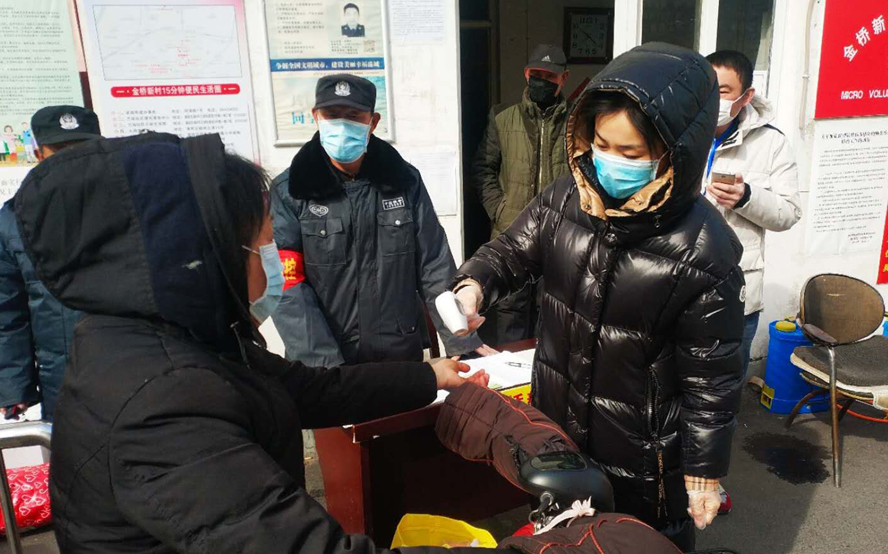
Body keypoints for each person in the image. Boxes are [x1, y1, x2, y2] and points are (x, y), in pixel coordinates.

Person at [16, 131, 498, 553]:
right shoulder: (163, 406)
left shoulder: (173, 338)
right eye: (262, 244)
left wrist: (429, 375)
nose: (273, 260)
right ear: (208, 257)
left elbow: (312, 390)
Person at [450, 43, 746, 550]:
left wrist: (702, 473)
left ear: (675, 151)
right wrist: (474, 284)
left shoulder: (704, 250)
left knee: (638, 544)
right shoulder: (568, 195)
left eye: (630, 154)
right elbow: (512, 250)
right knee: (563, 539)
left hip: (644, 456)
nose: (609, 162)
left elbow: (712, 380)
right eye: (602, 144)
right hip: (559, 434)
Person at [271, 74, 493, 367]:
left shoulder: (403, 181)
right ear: (316, 117)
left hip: (398, 356)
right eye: (332, 115)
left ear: (372, 122)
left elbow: (433, 263)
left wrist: (461, 339)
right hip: (326, 364)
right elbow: (286, 285)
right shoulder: (292, 190)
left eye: (353, 116)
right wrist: (326, 366)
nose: (341, 125)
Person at [703, 49, 802, 516]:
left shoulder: (771, 144)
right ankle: (666, 474)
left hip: (737, 294)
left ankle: (709, 482)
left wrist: (746, 196)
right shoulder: (678, 129)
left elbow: (788, 213)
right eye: (707, 88)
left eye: (723, 91)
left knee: (721, 398)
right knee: (669, 389)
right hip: (678, 287)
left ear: (746, 96)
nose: (713, 99)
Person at [0, 105, 102, 422]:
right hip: (63, 376)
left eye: (81, 148)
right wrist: (14, 387)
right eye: (59, 150)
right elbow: (7, 310)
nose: (71, 159)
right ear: (39, 154)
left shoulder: (131, 204)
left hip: (140, 366)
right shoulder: (13, 219)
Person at [471, 44, 571, 346]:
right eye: (536, 74)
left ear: (563, 78)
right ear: (526, 74)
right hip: (511, 235)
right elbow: (483, 169)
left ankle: (543, 372)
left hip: (559, 236)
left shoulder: (577, 122)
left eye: (549, 76)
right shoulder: (502, 118)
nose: (542, 81)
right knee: (510, 312)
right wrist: (500, 210)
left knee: (551, 312)